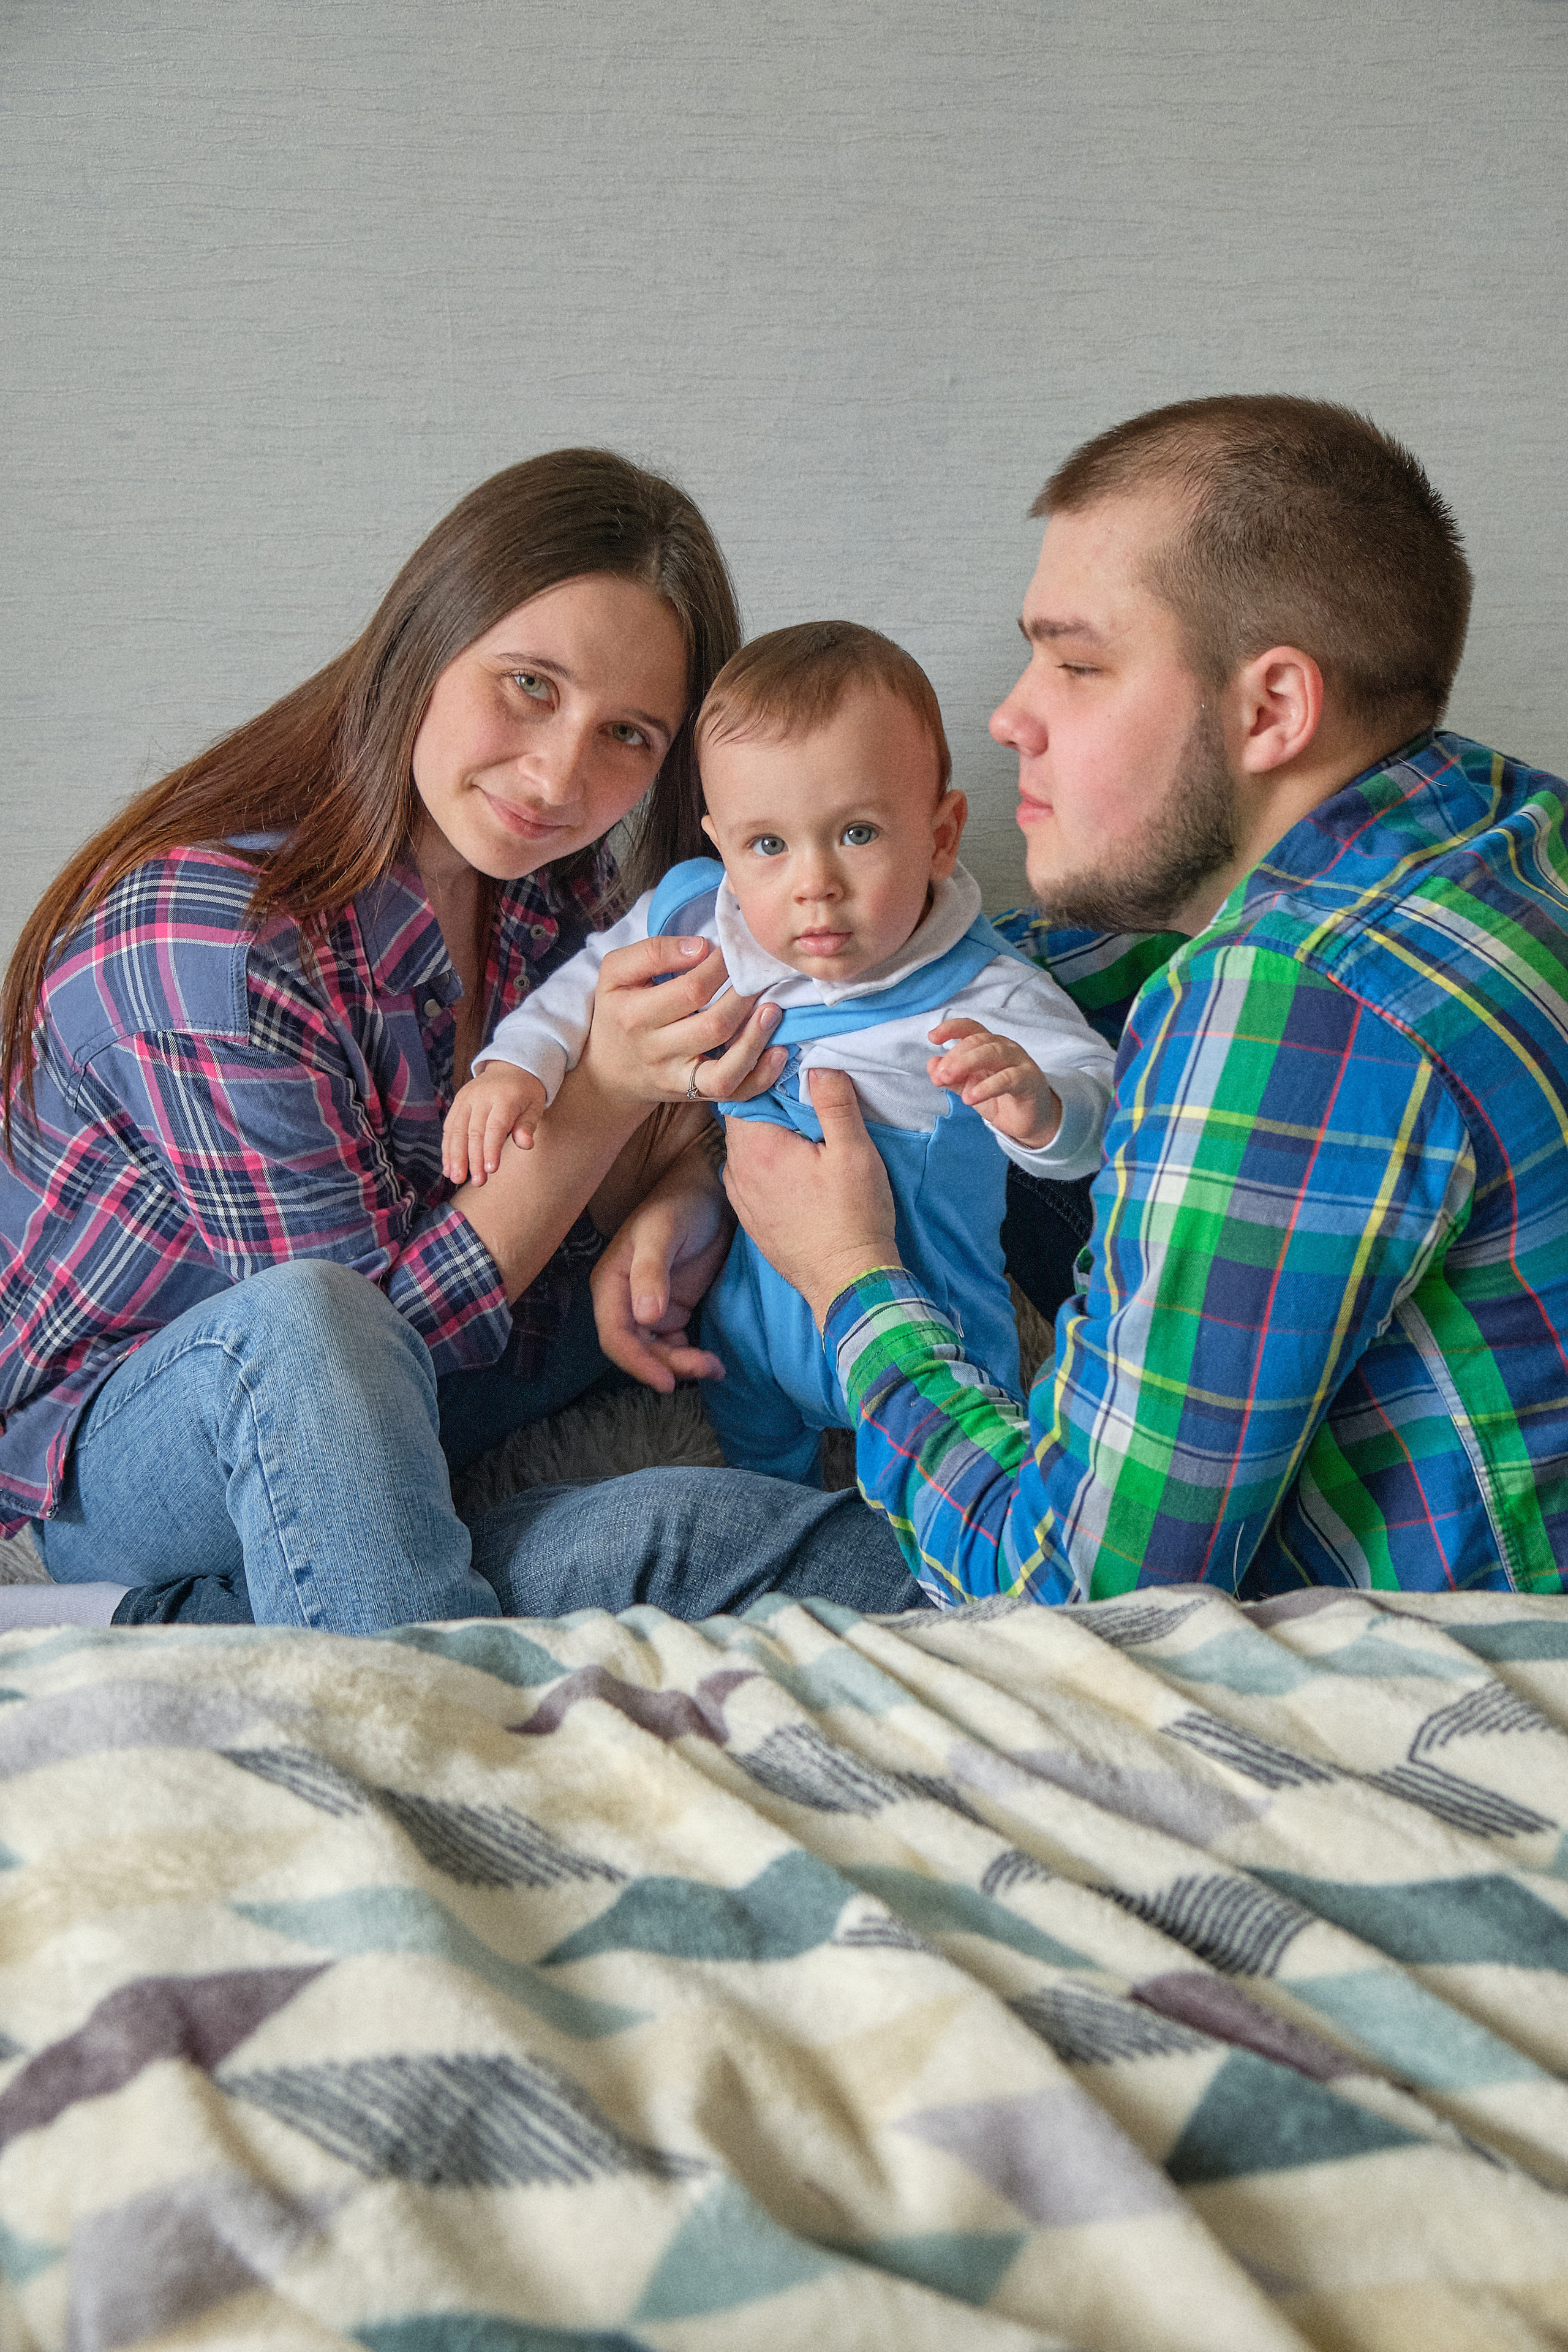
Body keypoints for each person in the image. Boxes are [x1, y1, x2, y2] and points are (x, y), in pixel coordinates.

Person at [0, 450, 927, 1629]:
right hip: (133, 1450)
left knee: (676, 1525)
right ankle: (404, 1726)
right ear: (426, 643)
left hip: (454, 1397)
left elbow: (720, 1116)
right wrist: (597, 1104)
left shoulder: (555, 896)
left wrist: (678, 1200)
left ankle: (1053, 1611)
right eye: (531, 685)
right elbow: (372, 1357)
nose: (558, 776)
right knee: (309, 1317)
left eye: (629, 736)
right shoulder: (210, 949)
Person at [720, 394, 1568, 1604]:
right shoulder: (1502, 823)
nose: (1010, 717)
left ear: (1270, 708)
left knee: (657, 1535)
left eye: (1076, 665)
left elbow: (1071, 1594)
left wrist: (846, 1276)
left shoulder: (1286, 1001)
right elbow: (1079, 961)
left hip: (1387, 1661)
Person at [442, 621, 1115, 1482]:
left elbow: (1102, 1105)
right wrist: (516, 1066)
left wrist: (1044, 1109)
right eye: (768, 846)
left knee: (943, 1481)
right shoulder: (704, 921)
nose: (814, 884)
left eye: (859, 834)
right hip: (751, 1324)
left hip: (928, 1332)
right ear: (723, 849)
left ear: (941, 836)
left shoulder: (982, 988)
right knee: (752, 1453)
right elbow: (583, 986)